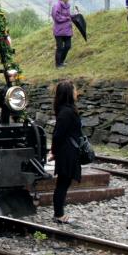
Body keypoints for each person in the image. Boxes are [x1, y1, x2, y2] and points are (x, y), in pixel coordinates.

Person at [48, 80, 82, 224]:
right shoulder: (66, 112)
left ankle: (59, 213)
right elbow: (57, 134)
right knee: (63, 183)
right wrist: (54, 152)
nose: (76, 92)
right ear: (69, 93)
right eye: (74, 90)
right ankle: (58, 214)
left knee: (64, 182)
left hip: (67, 150)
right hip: (67, 152)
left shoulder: (66, 110)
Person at [51, 0, 73, 68]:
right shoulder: (56, 5)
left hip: (67, 30)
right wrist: (67, 18)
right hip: (59, 30)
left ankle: (62, 61)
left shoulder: (67, 6)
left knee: (68, 46)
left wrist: (73, 16)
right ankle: (58, 64)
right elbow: (56, 17)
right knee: (59, 47)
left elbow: (68, 15)